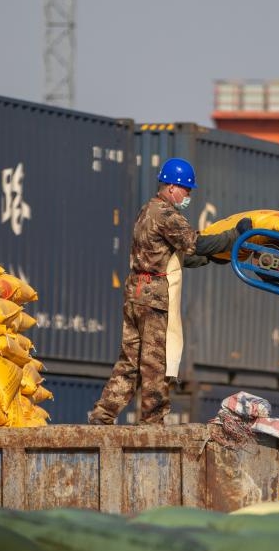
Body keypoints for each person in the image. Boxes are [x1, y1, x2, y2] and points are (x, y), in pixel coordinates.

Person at [87, 157, 252, 425]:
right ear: (173, 187)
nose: (188, 195)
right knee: (155, 363)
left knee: (129, 362)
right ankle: (153, 423)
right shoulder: (166, 215)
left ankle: (102, 416)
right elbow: (195, 244)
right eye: (187, 189)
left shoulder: (147, 211)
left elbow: (181, 257)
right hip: (152, 297)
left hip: (136, 293)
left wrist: (217, 257)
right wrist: (235, 236)